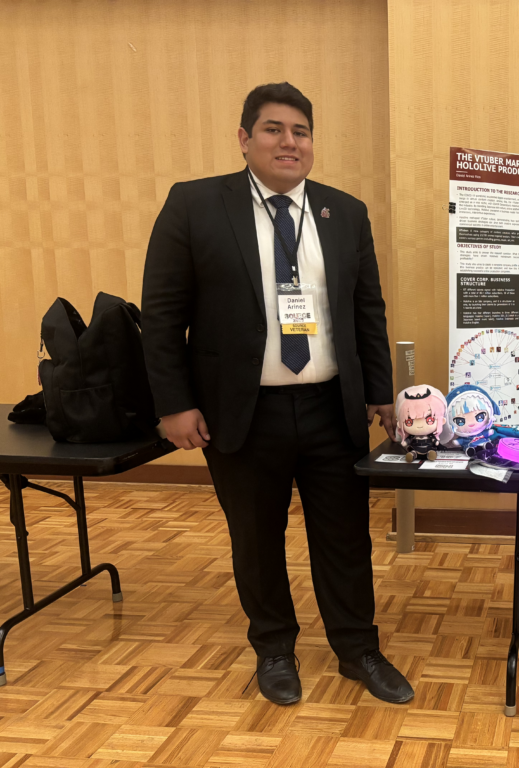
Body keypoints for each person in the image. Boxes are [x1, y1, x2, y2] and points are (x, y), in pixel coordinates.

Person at [141, 82, 413, 707]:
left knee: (345, 538)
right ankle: (274, 649)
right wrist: (173, 405)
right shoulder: (195, 205)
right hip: (241, 412)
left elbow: (366, 310)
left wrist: (379, 392)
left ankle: (357, 649)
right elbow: (161, 316)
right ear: (244, 139)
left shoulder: (344, 212)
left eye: (301, 131)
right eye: (273, 129)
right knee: (256, 539)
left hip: (330, 407)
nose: (289, 142)